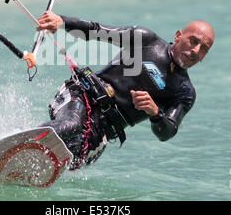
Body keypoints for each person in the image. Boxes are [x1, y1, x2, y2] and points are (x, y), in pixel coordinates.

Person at [36, 11, 215, 170]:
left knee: (72, 153)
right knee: (70, 126)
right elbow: (98, 30)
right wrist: (61, 21)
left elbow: (167, 132)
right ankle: (22, 138)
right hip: (83, 96)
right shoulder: (146, 40)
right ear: (178, 36)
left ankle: (22, 162)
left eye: (204, 49)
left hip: (104, 128)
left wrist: (155, 113)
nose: (195, 50)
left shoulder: (184, 92)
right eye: (193, 41)